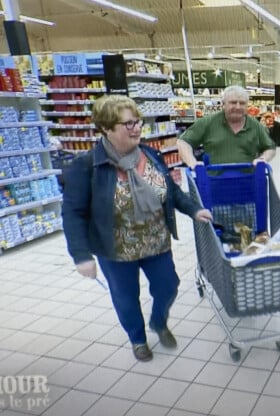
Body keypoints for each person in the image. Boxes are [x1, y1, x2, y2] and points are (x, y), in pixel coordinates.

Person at [62, 95, 213, 362]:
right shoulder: (87, 166)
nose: (136, 128)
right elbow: (73, 213)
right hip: (115, 248)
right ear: (106, 128)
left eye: (138, 121)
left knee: (169, 286)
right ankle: (138, 339)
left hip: (156, 242)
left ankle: (158, 321)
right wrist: (81, 255)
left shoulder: (149, 155)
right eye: (128, 123)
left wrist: (193, 209)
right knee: (126, 296)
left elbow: (170, 191)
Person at [177, 85, 276, 167]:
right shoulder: (208, 122)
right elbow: (183, 142)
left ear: (247, 106)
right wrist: (192, 162)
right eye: (233, 102)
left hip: (248, 181)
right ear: (223, 105)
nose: (237, 107)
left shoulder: (255, 125)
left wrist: (263, 159)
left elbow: (270, 147)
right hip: (214, 182)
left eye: (242, 103)